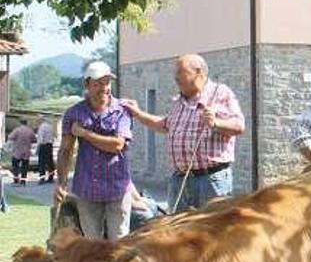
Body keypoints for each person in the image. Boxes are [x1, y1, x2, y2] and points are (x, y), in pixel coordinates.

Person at [122, 54, 243, 213]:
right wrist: (138, 114)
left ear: (198, 72)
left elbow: (239, 126)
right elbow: (164, 125)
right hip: (180, 180)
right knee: (180, 233)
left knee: (210, 232)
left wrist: (216, 123)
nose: (176, 77)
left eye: (180, 72)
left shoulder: (220, 93)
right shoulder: (179, 101)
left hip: (210, 180)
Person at [57, 61, 134, 239]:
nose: (104, 88)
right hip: (87, 189)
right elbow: (65, 150)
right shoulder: (73, 113)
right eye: (98, 83)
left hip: (117, 187)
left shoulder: (122, 110)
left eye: (107, 82)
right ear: (86, 85)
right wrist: (60, 183)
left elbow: (117, 145)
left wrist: (85, 134)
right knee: (92, 246)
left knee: (120, 243)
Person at [6, 118, 35, 185]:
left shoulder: (17, 130)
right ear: (26, 123)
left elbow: (10, 137)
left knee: (15, 166)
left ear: (20, 123)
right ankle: (23, 180)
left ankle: (16, 180)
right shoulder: (30, 131)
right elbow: (34, 139)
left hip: (17, 151)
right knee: (25, 167)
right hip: (26, 152)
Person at [35, 115, 56, 184]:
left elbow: (40, 139)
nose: (37, 122)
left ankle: (42, 178)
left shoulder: (41, 127)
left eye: (37, 120)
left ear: (40, 120)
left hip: (43, 145)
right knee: (50, 162)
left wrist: (37, 149)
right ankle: (51, 177)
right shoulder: (50, 126)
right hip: (49, 145)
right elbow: (53, 136)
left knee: (42, 163)